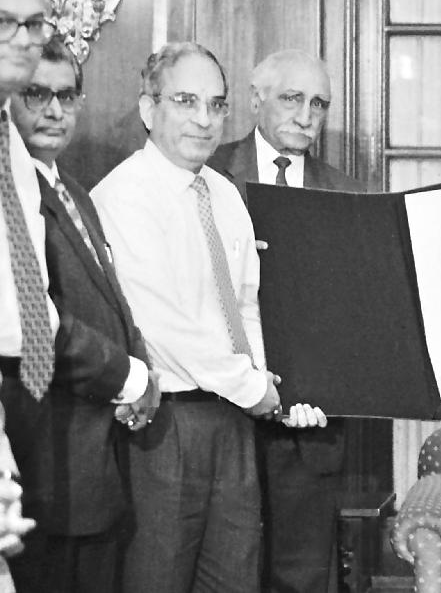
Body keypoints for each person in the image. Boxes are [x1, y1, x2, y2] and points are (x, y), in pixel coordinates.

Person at [91, 42, 326, 593]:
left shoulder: (223, 194)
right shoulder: (123, 196)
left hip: (234, 421)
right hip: (165, 426)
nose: (204, 118)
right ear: (149, 109)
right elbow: (164, 327)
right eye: (185, 101)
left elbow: (246, 304)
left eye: (216, 105)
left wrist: (271, 384)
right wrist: (254, 388)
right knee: (157, 578)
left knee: (235, 581)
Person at [208, 49, 364, 593]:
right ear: (256, 99)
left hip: (310, 423)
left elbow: (356, 316)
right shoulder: (207, 173)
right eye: (292, 99)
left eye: (318, 104)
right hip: (219, 415)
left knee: (302, 577)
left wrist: (327, 387)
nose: (305, 115)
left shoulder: (349, 195)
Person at [7, 38, 159, 593]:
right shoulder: (9, 195)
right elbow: (37, 325)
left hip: (96, 462)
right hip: (45, 464)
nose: (54, 110)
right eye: (36, 94)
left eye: (66, 96)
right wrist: (132, 377)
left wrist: (140, 368)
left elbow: (111, 301)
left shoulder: (73, 189)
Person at [0, 0, 52, 589]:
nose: (22, 38)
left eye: (35, 23)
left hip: (19, 396)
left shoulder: (13, 138)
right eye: (4, 21)